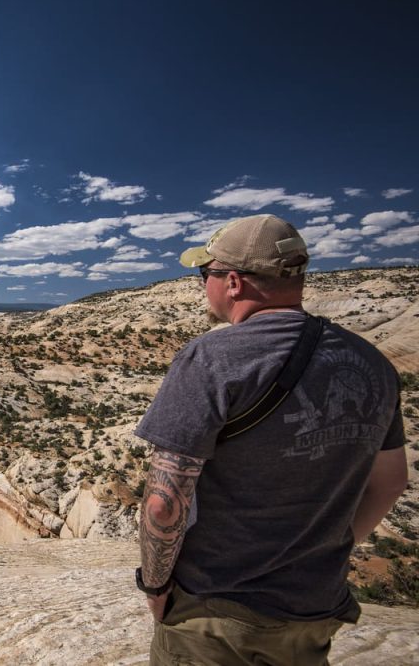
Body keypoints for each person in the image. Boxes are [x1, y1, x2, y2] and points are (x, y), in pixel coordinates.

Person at [133, 214, 409, 665]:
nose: (205, 286)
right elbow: (391, 482)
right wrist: (321, 550)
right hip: (314, 609)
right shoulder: (371, 363)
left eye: (206, 274)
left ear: (234, 282)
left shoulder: (212, 357)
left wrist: (156, 585)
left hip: (216, 609)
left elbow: (166, 500)